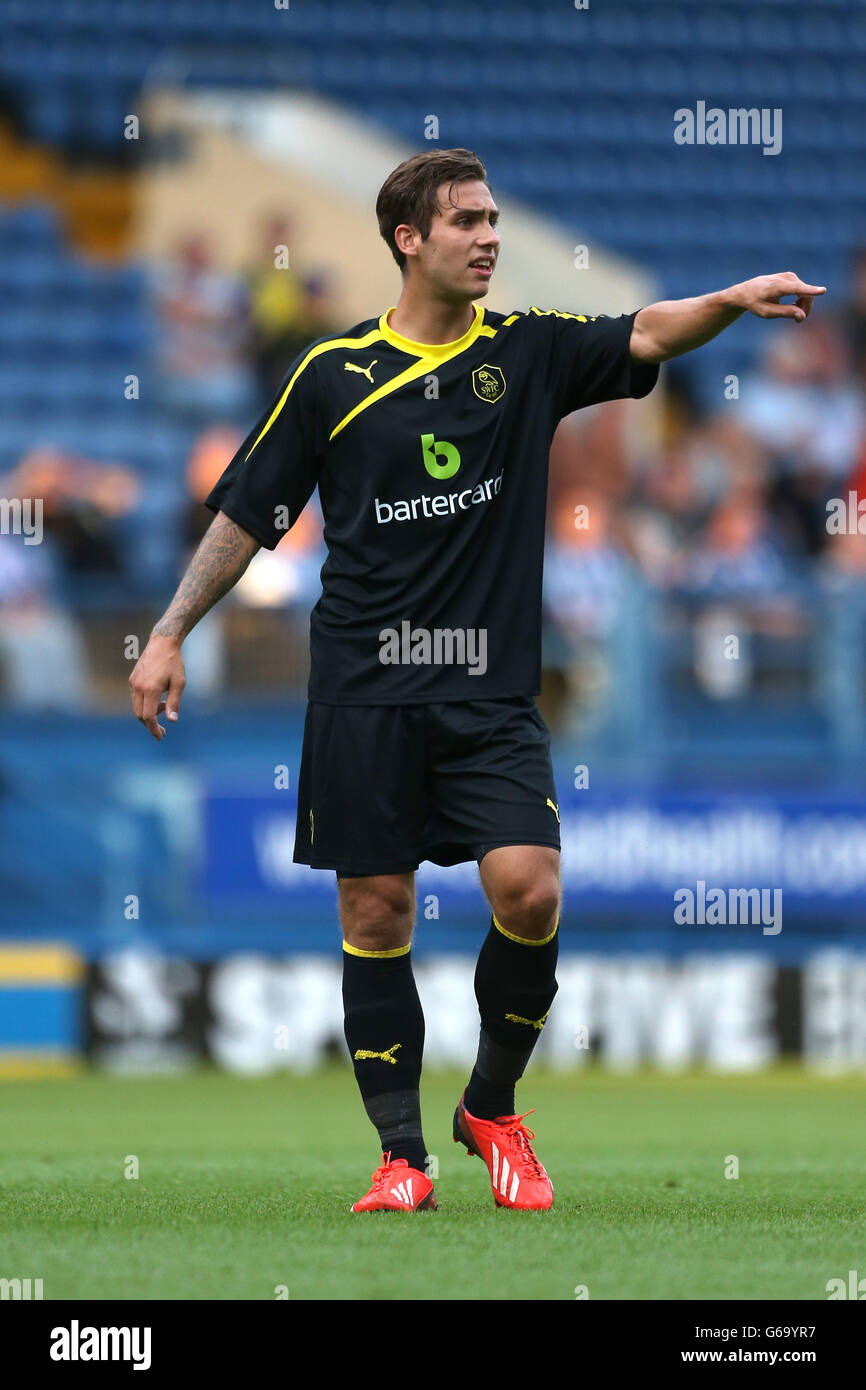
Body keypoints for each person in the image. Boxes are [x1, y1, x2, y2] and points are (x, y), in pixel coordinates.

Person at [129, 148, 825, 1213]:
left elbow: (642, 330)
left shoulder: (529, 352)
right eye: (466, 220)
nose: (489, 235)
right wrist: (170, 630)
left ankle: (490, 1103)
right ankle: (400, 1156)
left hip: (489, 692)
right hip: (364, 691)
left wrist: (727, 302)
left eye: (494, 217)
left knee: (529, 885)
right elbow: (246, 515)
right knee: (374, 910)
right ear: (409, 238)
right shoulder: (331, 376)